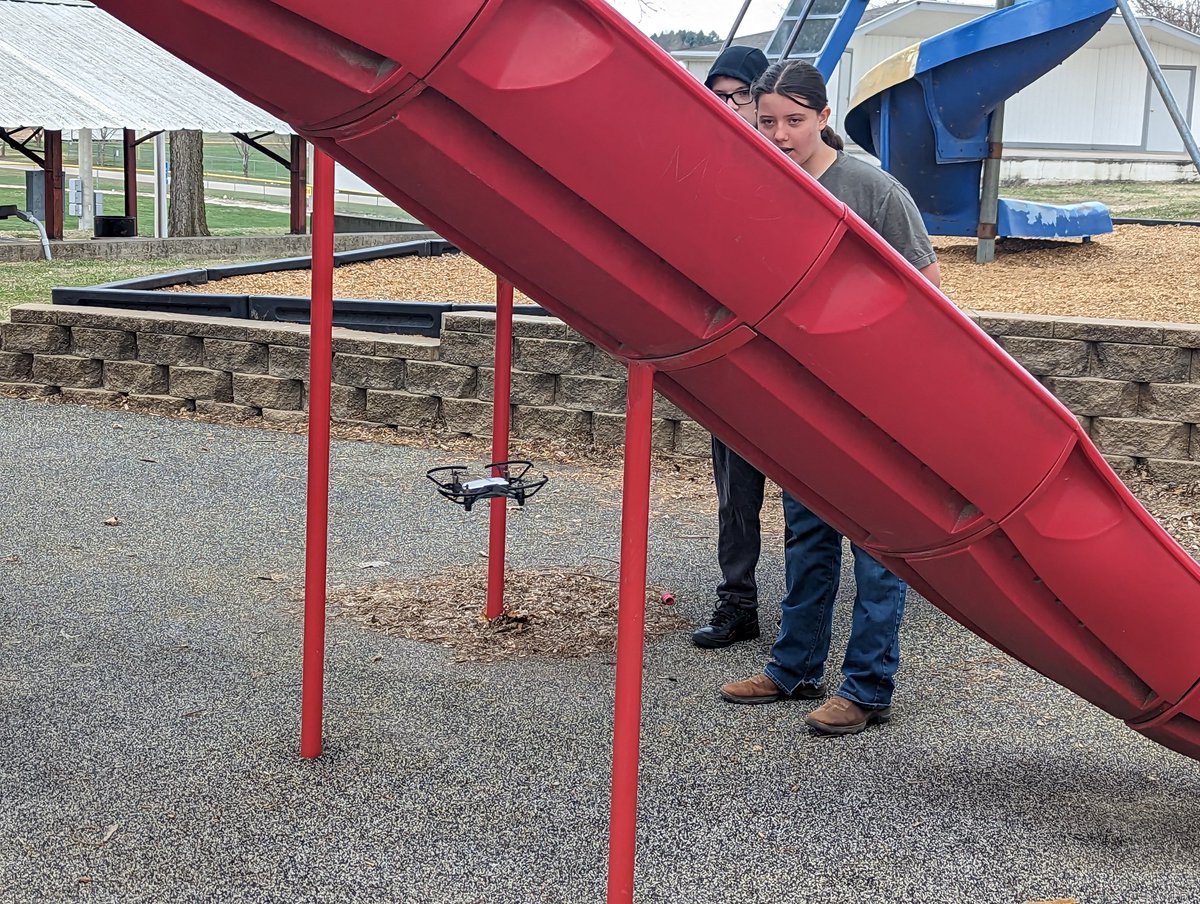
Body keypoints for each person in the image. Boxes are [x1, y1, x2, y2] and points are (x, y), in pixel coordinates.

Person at [719, 60, 942, 736]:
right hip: (803, 393)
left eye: (793, 121)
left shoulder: (871, 188)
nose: (780, 134)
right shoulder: (760, 183)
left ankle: (868, 687)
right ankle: (794, 668)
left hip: (874, 395)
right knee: (808, 533)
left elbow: (928, 290)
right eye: (767, 122)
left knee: (877, 547)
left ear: (822, 117)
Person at [691, 44, 773, 650]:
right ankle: (737, 602)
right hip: (733, 357)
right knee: (734, 494)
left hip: (795, 359)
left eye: (739, 95)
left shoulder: (807, 170)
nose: (729, 108)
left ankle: (806, 613)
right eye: (716, 97)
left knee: (809, 507)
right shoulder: (706, 168)